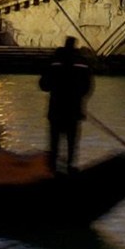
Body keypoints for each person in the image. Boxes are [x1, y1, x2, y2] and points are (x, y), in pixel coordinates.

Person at [39, 37, 93, 172]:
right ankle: (70, 167)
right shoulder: (82, 63)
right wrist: (78, 97)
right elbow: (87, 87)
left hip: (56, 109)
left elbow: (44, 85)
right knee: (71, 143)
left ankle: (52, 169)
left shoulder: (54, 62)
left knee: (54, 144)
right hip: (73, 110)